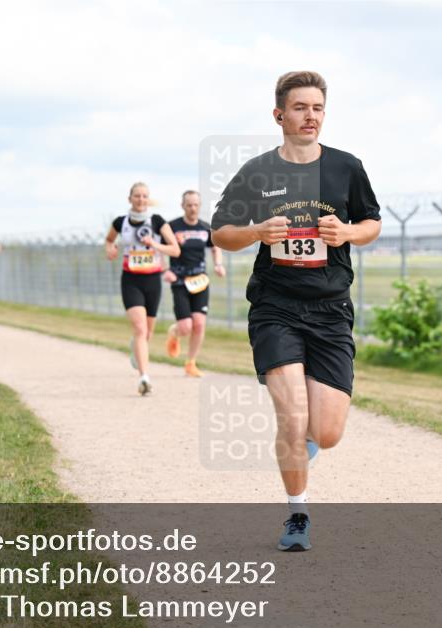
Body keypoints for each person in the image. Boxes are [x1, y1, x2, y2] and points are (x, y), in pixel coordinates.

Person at [211, 71, 381, 551]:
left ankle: (302, 451)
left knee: (324, 434)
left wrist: (345, 233)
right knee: (292, 415)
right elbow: (221, 231)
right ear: (279, 114)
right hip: (275, 306)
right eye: (301, 107)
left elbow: (372, 223)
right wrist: (257, 232)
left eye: (318, 108)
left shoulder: (347, 167)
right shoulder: (258, 171)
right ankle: (298, 514)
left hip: (330, 309)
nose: (310, 116)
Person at [104, 182, 181, 395]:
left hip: (152, 280)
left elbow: (175, 250)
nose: (140, 199)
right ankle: (144, 377)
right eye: (137, 196)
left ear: (148, 199)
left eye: (144, 196)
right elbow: (109, 240)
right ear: (130, 199)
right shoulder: (121, 222)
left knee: (147, 332)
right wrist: (110, 250)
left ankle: (137, 351)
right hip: (131, 280)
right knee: (140, 329)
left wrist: (154, 245)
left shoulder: (157, 221)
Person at [163, 190, 226, 377]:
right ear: (182, 206)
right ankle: (174, 333)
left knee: (199, 323)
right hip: (180, 281)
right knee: (185, 327)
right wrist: (165, 270)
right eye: (189, 205)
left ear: (200, 206)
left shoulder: (205, 228)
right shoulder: (172, 227)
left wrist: (218, 264)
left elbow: (216, 247)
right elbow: (159, 249)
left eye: (196, 205)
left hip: (200, 281)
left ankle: (190, 363)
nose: (192, 208)